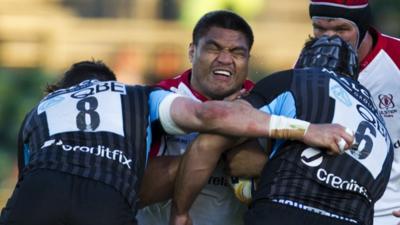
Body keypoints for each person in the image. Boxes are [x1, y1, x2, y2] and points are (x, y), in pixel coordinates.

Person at [0, 60, 353, 225]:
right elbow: (210, 117)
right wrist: (305, 129)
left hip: (39, 190)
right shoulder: (136, 95)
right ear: (112, 83)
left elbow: (28, 173)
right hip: (106, 197)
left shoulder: (44, 106)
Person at [170, 36, 393, 225]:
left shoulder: (296, 79)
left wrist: (180, 213)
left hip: (282, 210)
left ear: (302, 62)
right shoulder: (382, 131)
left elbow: (210, 139)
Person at [137, 10, 255, 225]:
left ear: (248, 59)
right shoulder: (158, 99)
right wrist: (216, 141)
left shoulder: (266, 104)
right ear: (192, 52)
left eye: (237, 52)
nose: (225, 59)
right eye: (213, 48)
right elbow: (136, 193)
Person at [308, 1, 400, 224]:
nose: (330, 39)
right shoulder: (307, 66)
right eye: (319, 28)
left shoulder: (396, 59)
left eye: (341, 29)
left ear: (362, 26)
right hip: (331, 211)